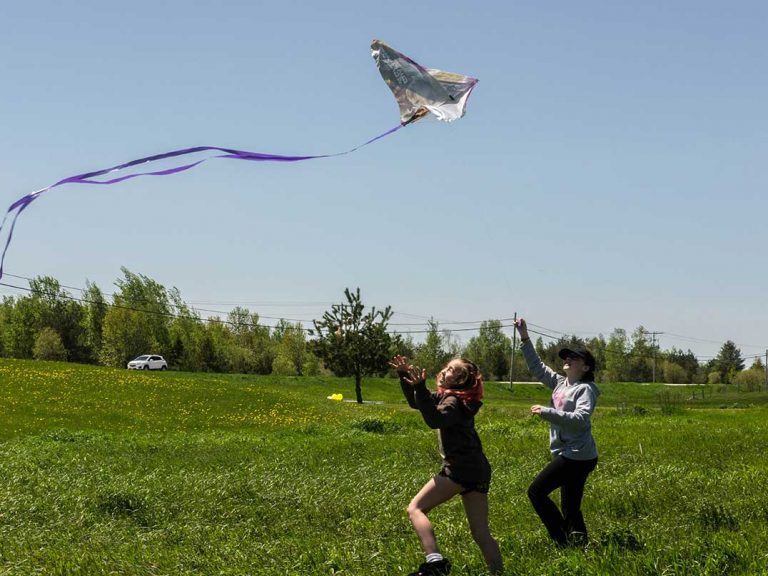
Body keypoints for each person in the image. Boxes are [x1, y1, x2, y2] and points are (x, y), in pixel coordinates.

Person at [390, 355, 503, 576]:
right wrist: (406, 377)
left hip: (461, 468)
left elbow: (434, 419)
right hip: (477, 469)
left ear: (460, 379)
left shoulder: (452, 402)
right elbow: (417, 402)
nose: (444, 370)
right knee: (480, 532)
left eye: (451, 369)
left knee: (416, 508)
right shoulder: (450, 397)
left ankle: (435, 563)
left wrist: (420, 387)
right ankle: (498, 573)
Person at [514, 318, 600, 547]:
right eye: (566, 357)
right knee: (570, 506)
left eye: (574, 357)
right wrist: (524, 337)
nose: (568, 359)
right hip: (571, 453)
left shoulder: (586, 390)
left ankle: (561, 540)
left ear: (586, 367)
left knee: (536, 491)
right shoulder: (561, 384)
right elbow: (537, 367)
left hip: (577, 455)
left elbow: (581, 420)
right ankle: (580, 545)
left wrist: (547, 412)